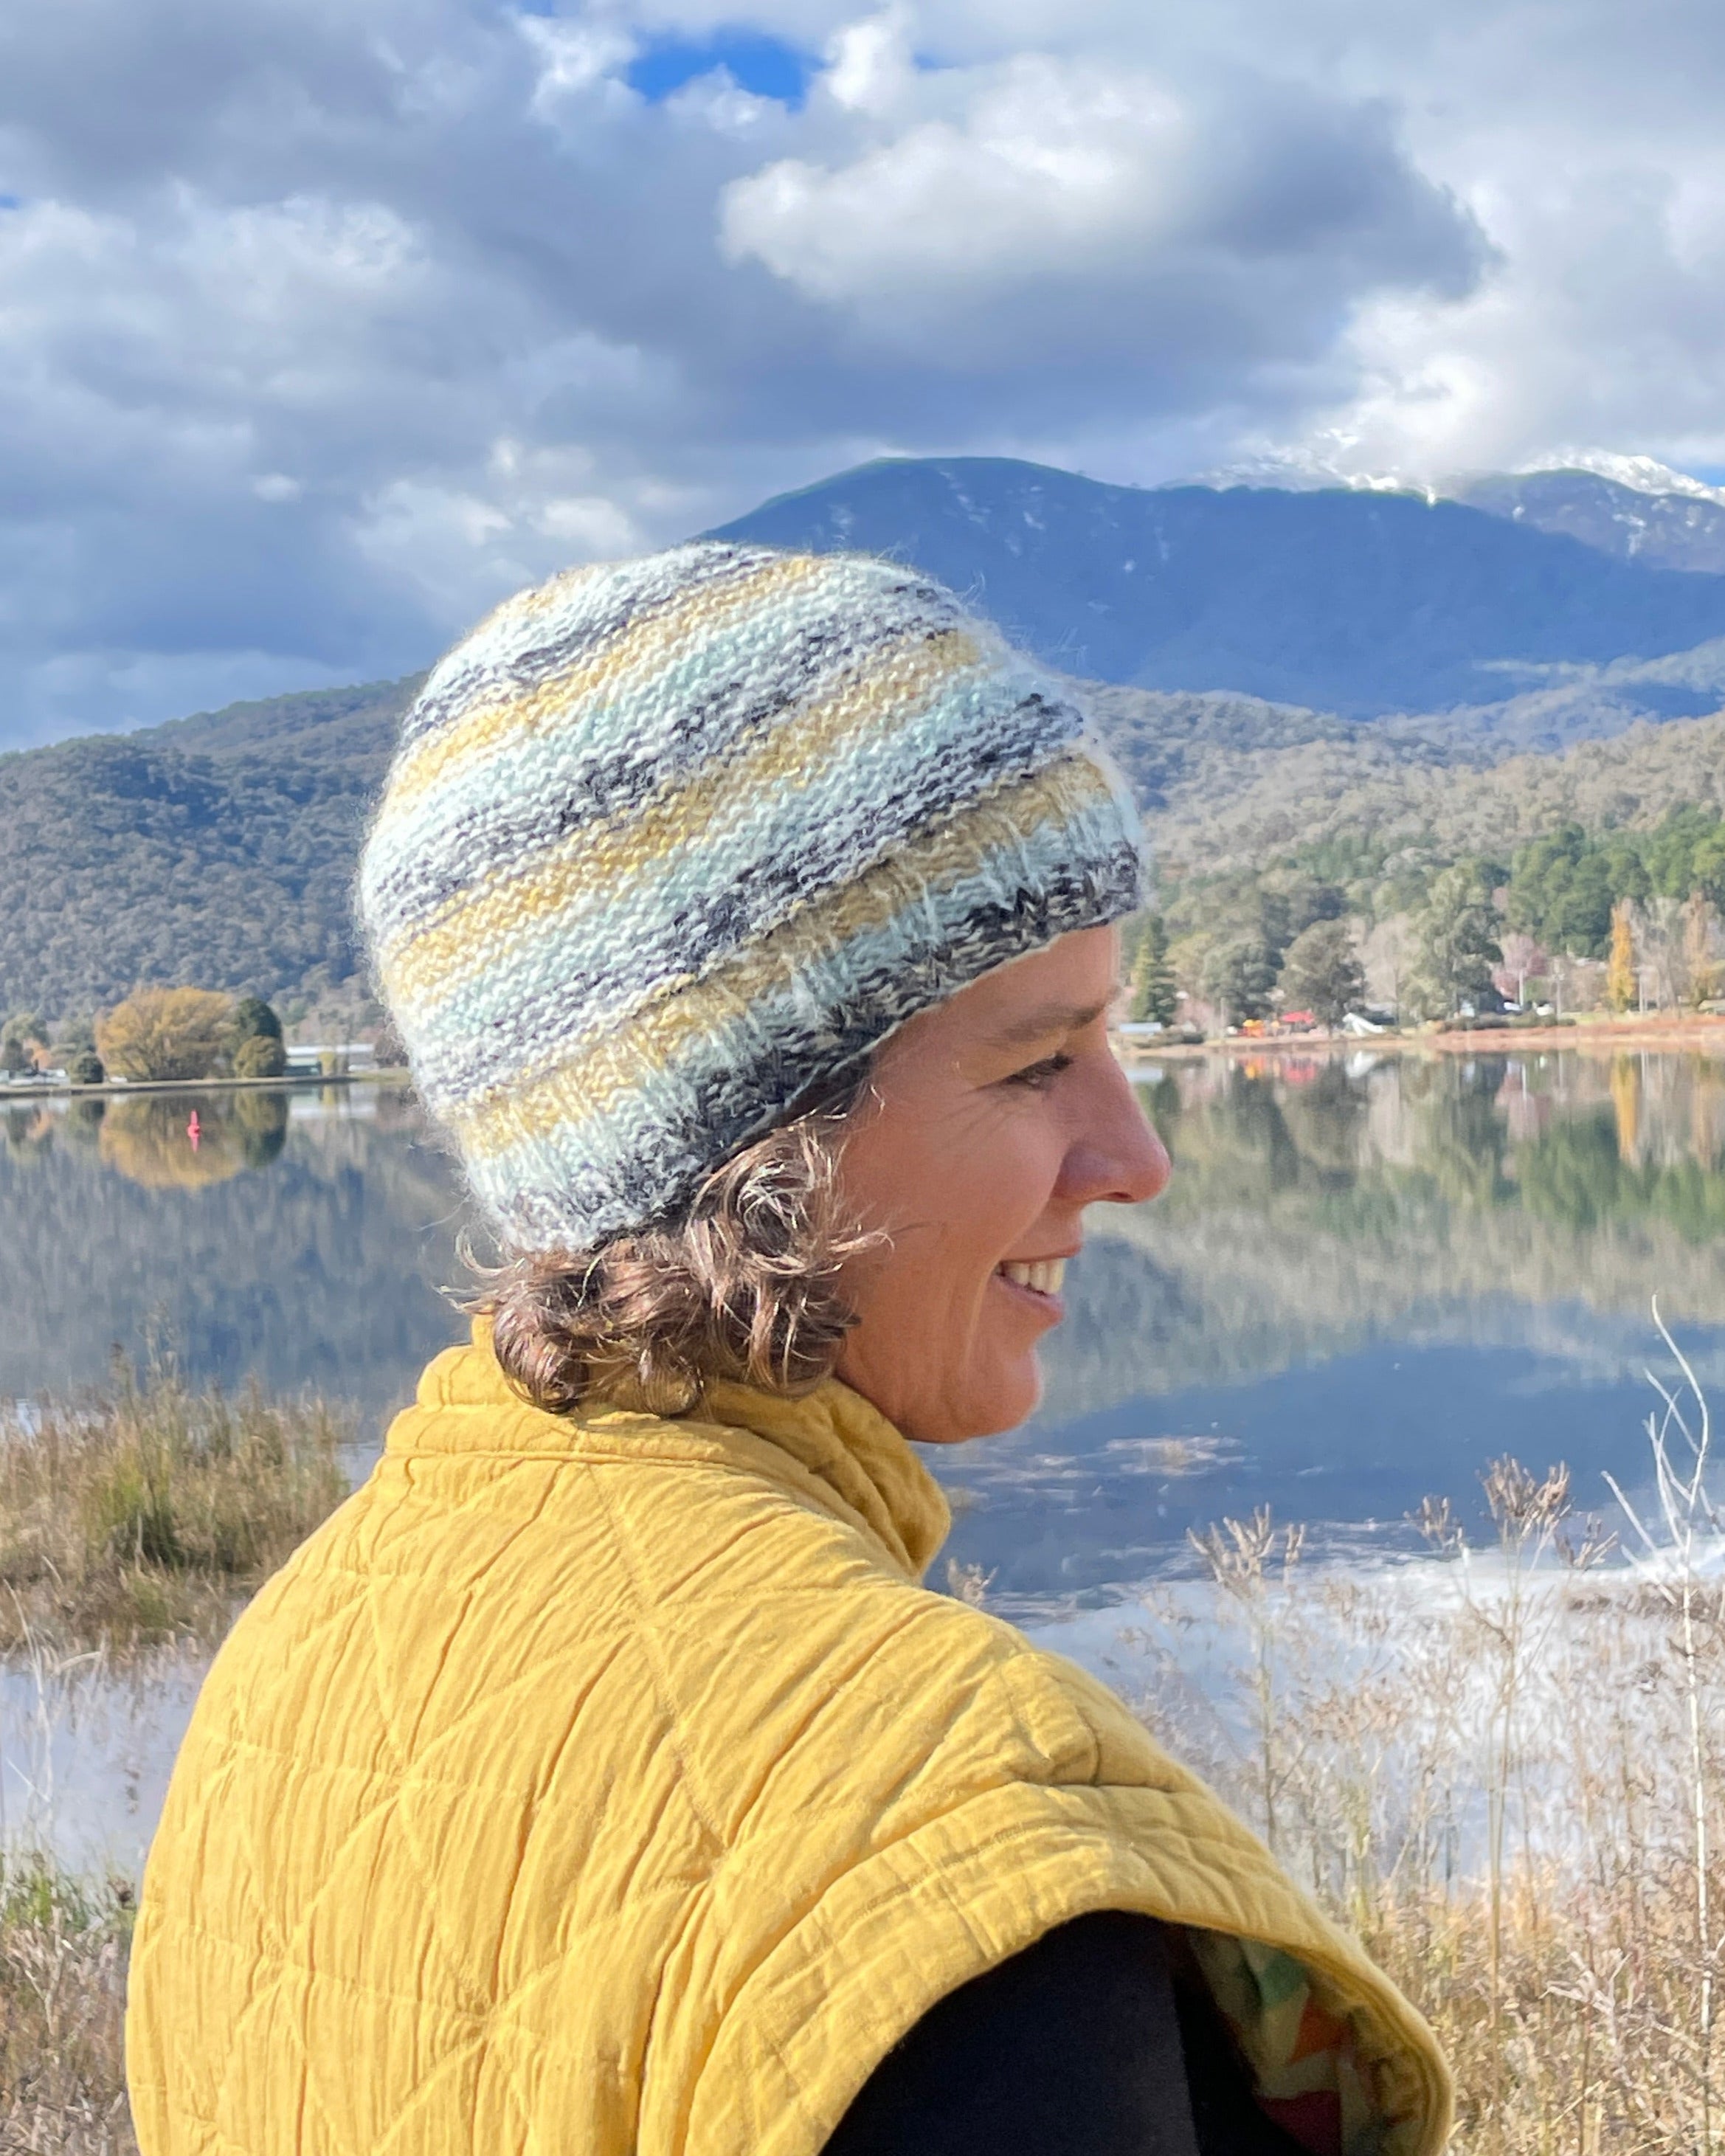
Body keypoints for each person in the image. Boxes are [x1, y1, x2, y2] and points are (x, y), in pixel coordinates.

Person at [127, 545, 1450, 2155]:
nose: (1135, 1158)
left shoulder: (307, 1641)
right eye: (1035, 1063)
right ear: (744, 1141)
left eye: (1111, 1035)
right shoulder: (952, 1866)